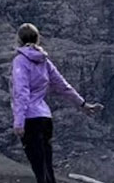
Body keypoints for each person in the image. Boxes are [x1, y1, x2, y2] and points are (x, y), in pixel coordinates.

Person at [10, 23, 103, 183]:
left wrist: (19, 122)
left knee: (39, 167)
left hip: (30, 119)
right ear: (38, 39)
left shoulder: (20, 61)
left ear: (18, 39)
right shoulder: (44, 61)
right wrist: (82, 104)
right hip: (45, 118)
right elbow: (63, 86)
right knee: (46, 165)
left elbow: (21, 92)